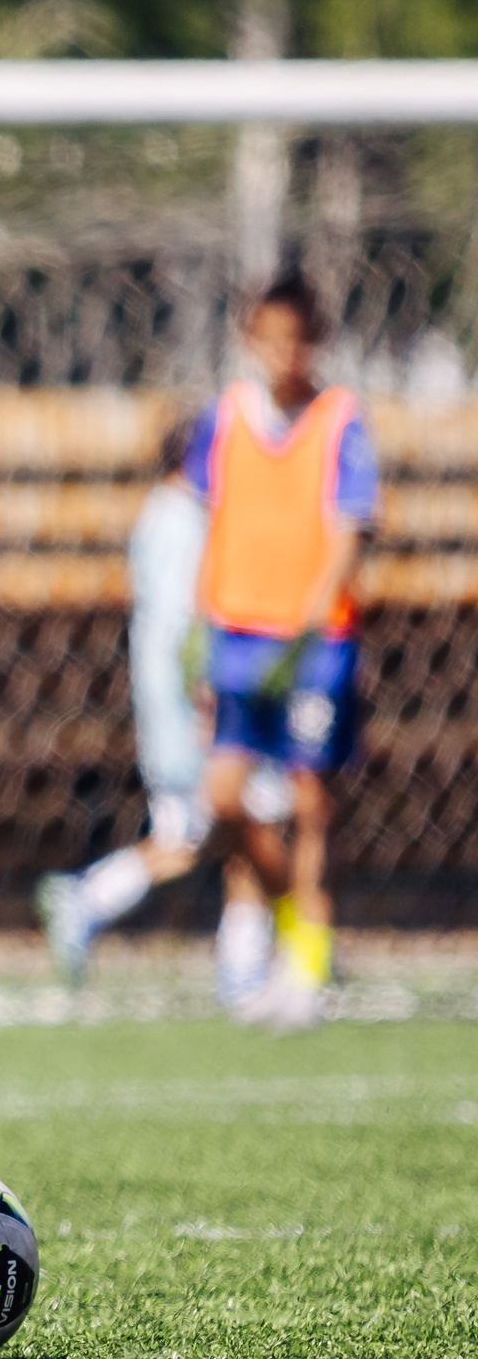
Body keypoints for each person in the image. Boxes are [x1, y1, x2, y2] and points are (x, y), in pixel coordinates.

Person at [34, 417, 293, 1004]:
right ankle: (91, 900)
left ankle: (243, 961)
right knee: (214, 829)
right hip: (198, 705)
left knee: (242, 826)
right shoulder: (184, 521)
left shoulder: (165, 515)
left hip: (182, 701)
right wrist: (206, 696)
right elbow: (187, 624)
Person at [187, 273, 378, 1030]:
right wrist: (197, 630)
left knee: (308, 801)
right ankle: (287, 924)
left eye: (297, 341)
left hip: (313, 639)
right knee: (226, 794)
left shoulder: (339, 420)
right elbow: (208, 517)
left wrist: (310, 611)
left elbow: (351, 523)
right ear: (250, 340)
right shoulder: (226, 417)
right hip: (235, 633)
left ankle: (303, 958)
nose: (284, 354)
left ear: (315, 344)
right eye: (270, 339)